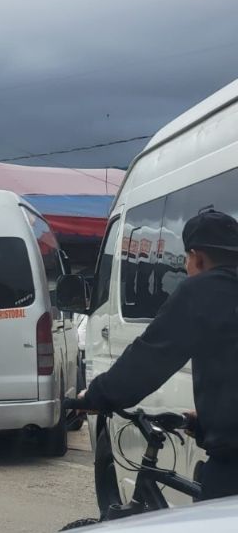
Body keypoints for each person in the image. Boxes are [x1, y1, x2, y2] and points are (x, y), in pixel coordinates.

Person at [79, 209, 238, 501]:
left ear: (197, 257)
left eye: (187, 260)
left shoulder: (201, 291)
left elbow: (149, 359)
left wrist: (94, 396)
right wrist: (209, 418)